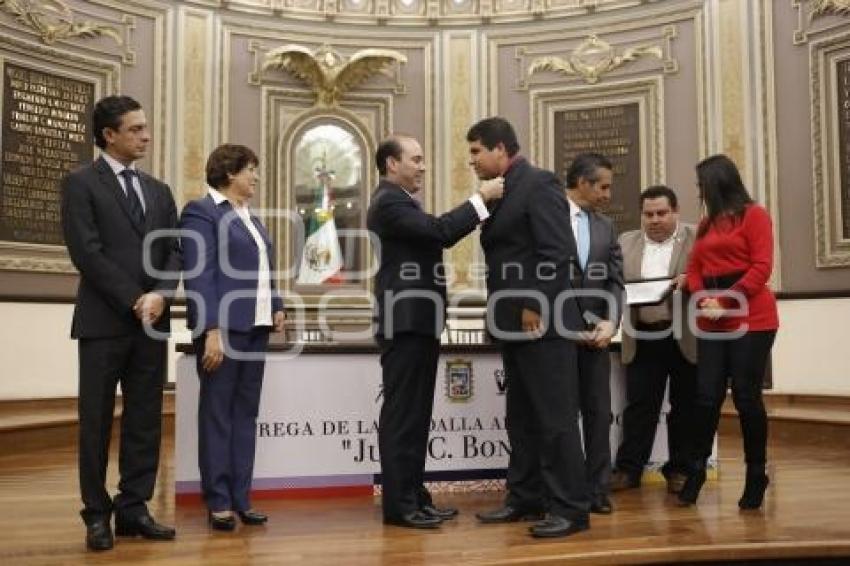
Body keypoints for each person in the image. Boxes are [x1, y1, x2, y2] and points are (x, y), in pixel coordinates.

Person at [60, 95, 179, 551]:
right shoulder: (80, 184)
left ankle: (134, 508)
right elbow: (86, 252)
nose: (145, 136)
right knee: (95, 422)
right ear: (109, 134)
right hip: (103, 321)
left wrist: (161, 294)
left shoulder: (159, 190)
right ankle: (96, 514)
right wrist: (135, 298)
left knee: (146, 419)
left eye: (145, 128)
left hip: (152, 323)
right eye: (136, 129)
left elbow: (175, 250)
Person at [368, 135, 504, 529]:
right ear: (392, 164)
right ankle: (400, 507)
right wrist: (482, 199)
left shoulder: (399, 201)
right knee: (403, 417)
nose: (423, 166)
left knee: (416, 416)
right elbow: (440, 231)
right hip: (406, 321)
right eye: (417, 159)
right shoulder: (389, 201)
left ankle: (414, 497)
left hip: (419, 321)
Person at [470, 117, 590, 539]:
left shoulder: (539, 183)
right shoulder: (501, 191)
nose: (473, 160)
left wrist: (531, 303)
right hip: (512, 323)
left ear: (500, 148)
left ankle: (572, 509)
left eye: (476, 151)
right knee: (520, 417)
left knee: (555, 419)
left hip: (541, 320)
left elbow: (557, 252)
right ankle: (525, 498)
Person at [180, 144, 286, 530]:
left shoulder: (250, 217)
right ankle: (219, 501)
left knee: (245, 415)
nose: (255, 177)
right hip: (221, 332)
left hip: (255, 329)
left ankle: (242, 497)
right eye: (250, 170)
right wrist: (210, 331)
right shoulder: (200, 212)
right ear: (228, 174)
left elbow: (264, 269)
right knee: (218, 416)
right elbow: (199, 275)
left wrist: (276, 304)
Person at [678, 154, 779, 508]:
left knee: (747, 397)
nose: (699, 191)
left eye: (701, 183)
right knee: (705, 397)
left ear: (718, 182)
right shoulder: (706, 225)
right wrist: (704, 297)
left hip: (751, 317)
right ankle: (695, 471)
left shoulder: (755, 215)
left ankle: (756, 474)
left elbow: (762, 267)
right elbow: (694, 268)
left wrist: (726, 302)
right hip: (711, 318)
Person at [610, 186, 697, 494]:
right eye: (648, 214)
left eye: (662, 213)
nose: (655, 220)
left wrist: (692, 281)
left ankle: (680, 470)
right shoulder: (625, 242)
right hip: (643, 335)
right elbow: (615, 286)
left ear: (675, 212)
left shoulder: (696, 237)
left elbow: (714, 275)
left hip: (684, 336)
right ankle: (628, 470)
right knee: (639, 407)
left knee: (685, 406)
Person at [563, 153, 624, 514]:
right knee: (564, 418)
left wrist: (611, 321)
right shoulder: (549, 218)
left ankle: (599, 491)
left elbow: (616, 282)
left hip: (597, 337)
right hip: (558, 337)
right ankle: (568, 489)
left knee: (599, 414)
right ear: (583, 183)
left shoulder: (606, 227)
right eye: (603, 186)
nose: (607, 194)